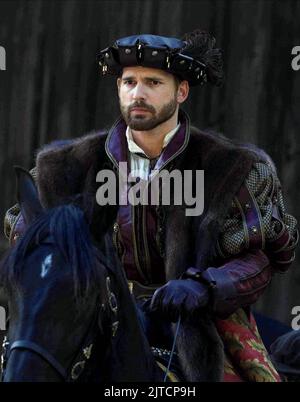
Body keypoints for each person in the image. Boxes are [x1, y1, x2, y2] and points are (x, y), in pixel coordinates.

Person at [4, 30, 298, 381]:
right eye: (129, 82)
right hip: (91, 314)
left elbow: (261, 256)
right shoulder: (64, 169)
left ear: (182, 91)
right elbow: (33, 248)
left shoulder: (230, 168)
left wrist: (205, 286)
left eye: (153, 82)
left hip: (200, 318)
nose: (138, 93)